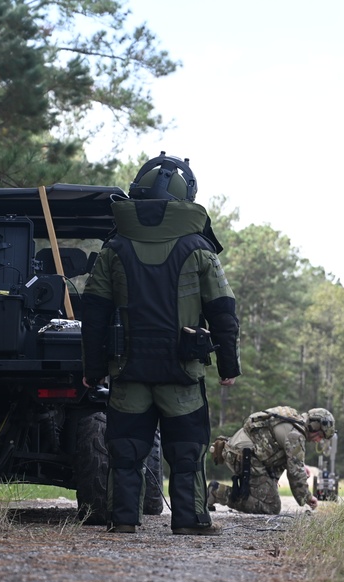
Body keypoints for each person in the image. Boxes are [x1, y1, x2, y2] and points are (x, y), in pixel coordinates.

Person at [81, 152, 241, 535]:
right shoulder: (198, 247)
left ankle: (123, 521)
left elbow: (94, 312)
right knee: (186, 452)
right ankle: (190, 520)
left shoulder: (114, 247)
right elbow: (222, 308)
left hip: (128, 369)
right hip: (181, 372)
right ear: (185, 195)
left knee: (126, 449)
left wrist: (92, 368)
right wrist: (228, 365)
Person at [208, 406, 335, 514]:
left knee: (265, 498)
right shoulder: (296, 435)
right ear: (314, 425)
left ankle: (217, 493)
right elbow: (296, 472)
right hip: (244, 457)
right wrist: (307, 497)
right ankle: (217, 492)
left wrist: (302, 466)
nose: (318, 440)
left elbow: (287, 457)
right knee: (271, 506)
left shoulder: (292, 419)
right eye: (320, 435)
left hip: (242, 454)